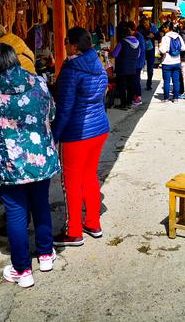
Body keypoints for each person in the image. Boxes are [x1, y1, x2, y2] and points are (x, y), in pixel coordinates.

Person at [0, 43, 59, 288]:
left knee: (16, 213)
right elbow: (51, 114)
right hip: (40, 158)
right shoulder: (38, 82)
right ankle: (46, 255)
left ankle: (22, 270)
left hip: (8, 164)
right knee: (40, 205)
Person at [52, 27, 110, 247]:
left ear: (74, 45)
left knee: (72, 181)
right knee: (89, 176)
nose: (65, 45)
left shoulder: (71, 70)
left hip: (77, 133)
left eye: (67, 42)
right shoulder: (97, 64)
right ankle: (93, 223)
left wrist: (54, 136)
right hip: (99, 128)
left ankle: (74, 231)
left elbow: (64, 109)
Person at [111, 22, 141, 110]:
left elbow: (115, 54)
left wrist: (111, 53)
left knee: (122, 86)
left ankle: (123, 104)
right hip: (132, 67)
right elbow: (138, 55)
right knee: (130, 86)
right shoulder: (137, 42)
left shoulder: (122, 42)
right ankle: (129, 103)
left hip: (122, 68)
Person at [158, 22, 185, 102]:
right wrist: (176, 50)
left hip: (167, 62)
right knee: (176, 81)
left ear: (167, 27)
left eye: (164, 27)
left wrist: (164, 49)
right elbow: (183, 48)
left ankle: (166, 98)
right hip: (177, 62)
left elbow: (162, 50)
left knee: (166, 81)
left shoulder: (165, 38)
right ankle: (176, 98)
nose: (163, 29)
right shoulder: (178, 36)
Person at [136, 17, 159, 91]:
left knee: (150, 68)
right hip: (141, 50)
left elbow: (159, 36)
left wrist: (154, 36)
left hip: (150, 49)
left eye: (147, 24)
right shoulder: (139, 28)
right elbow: (138, 35)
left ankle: (149, 84)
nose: (146, 25)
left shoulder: (154, 27)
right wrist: (147, 35)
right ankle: (137, 83)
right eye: (144, 24)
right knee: (139, 66)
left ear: (149, 22)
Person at [129, 21, 146, 106]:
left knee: (135, 80)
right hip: (137, 61)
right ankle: (135, 96)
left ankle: (138, 97)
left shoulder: (138, 37)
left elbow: (140, 50)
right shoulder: (136, 36)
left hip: (137, 62)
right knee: (134, 79)